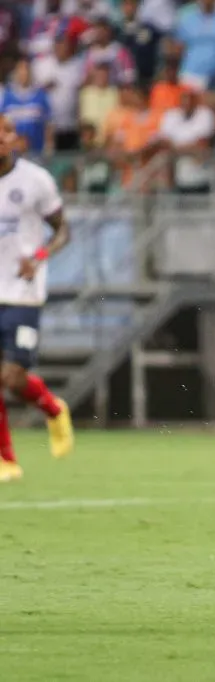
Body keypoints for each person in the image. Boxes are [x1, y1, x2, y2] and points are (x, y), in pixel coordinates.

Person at [0, 114, 75, 482]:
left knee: (13, 377)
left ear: (16, 138)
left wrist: (40, 258)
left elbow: (63, 230)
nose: (1, 138)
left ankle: (52, 408)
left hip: (22, 293)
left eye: (7, 131)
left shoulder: (35, 181)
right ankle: (6, 460)